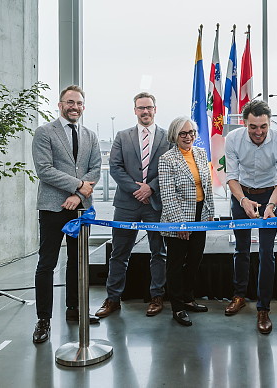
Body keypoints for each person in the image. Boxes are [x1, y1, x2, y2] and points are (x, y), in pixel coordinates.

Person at [31, 85, 102, 343]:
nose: (75, 107)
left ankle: (74, 310)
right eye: (70, 102)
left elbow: (95, 169)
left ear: (83, 106)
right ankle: (43, 320)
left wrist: (78, 194)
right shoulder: (44, 133)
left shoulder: (91, 136)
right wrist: (76, 185)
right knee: (46, 264)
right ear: (60, 105)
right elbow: (44, 170)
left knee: (78, 262)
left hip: (80, 207)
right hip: (52, 207)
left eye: (79, 103)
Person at [95, 92, 169, 318]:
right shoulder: (122, 136)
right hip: (127, 203)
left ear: (155, 109)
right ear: (135, 110)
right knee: (119, 252)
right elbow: (115, 167)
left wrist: (151, 188)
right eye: (140, 108)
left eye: (149, 107)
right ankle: (113, 298)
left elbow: (169, 167)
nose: (145, 112)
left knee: (159, 252)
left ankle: (157, 296)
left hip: (155, 203)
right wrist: (137, 189)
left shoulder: (167, 138)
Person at [224, 100, 277, 334]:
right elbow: (231, 176)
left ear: (269, 123)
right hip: (241, 194)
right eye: (253, 126)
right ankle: (239, 295)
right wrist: (243, 200)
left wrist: (270, 205)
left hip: (270, 196)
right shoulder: (233, 139)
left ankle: (263, 307)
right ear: (244, 123)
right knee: (241, 249)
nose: (258, 132)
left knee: (266, 252)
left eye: (263, 126)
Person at [158, 117, 215, 327]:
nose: (189, 137)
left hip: (200, 215)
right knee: (175, 264)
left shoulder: (200, 153)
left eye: (192, 132)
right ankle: (177, 307)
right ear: (175, 135)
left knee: (194, 260)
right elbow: (168, 195)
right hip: (178, 217)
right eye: (183, 133)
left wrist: (210, 212)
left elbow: (207, 187)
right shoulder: (167, 159)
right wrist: (180, 224)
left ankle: (189, 299)